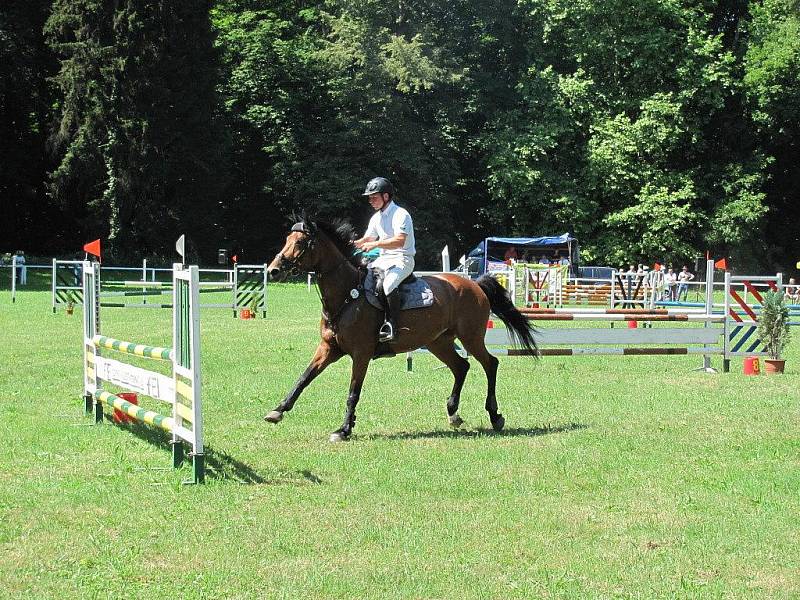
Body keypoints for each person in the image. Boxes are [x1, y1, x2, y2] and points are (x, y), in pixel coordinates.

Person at [354, 177, 415, 342]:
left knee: (388, 285)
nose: (370, 201)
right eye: (369, 197)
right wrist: (352, 243)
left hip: (403, 259)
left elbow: (399, 241)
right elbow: (367, 238)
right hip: (383, 259)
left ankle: (392, 325)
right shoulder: (376, 217)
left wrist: (376, 244)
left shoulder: (401, 214)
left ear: (386, 196)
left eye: (374, 197)